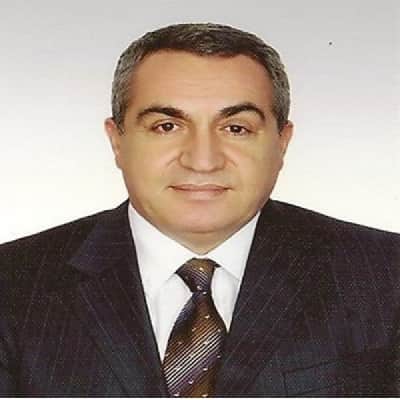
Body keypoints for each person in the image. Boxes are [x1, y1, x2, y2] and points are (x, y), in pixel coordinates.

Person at [0, 23, 399, 397]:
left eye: (236, 128)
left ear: (282, 143)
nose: (203, 160)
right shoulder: (13, 285)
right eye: (167, 126)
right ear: (117, 141)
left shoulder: (385, 276)